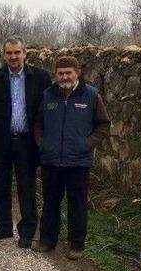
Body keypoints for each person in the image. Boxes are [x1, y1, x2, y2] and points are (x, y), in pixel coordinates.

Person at [33, 56, 111, 259]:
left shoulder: (91, 96)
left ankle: (77, 245)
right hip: (51, 161)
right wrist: (42, 143)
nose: (64, 76)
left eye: (68, 72)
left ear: (77, 73)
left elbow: (103, 124)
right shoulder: (48, 95)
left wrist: (87, 143)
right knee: (50, 202)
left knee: (77, 204)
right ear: (55, 75)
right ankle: (47, 240)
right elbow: (38, 123)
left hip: (78, 161)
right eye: (60, 73)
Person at [0, 36, 52, 248]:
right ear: (4, 55)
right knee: (1, 185)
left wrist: (43, 142)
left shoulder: (40, 78)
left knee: (26, 188)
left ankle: (27, 231)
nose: (13, 57)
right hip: (1, 142)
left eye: (17, 52)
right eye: (9, 53)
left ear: (24, 54)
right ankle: (3, 227)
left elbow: (46, 113)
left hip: (27, 143)